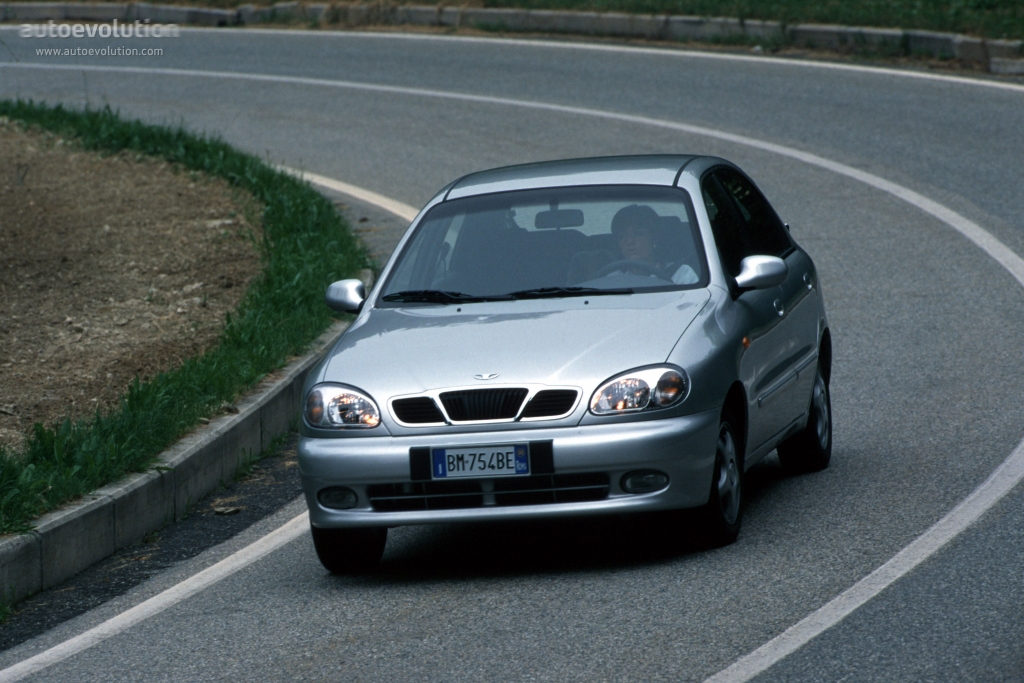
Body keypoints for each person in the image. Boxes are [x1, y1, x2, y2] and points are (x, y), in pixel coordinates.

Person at [609, 204, 699, 285]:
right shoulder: (612, 280)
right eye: (622, 236)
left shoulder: (680, 274)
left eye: (638, 234)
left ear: (654, 239)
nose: (629, 241)